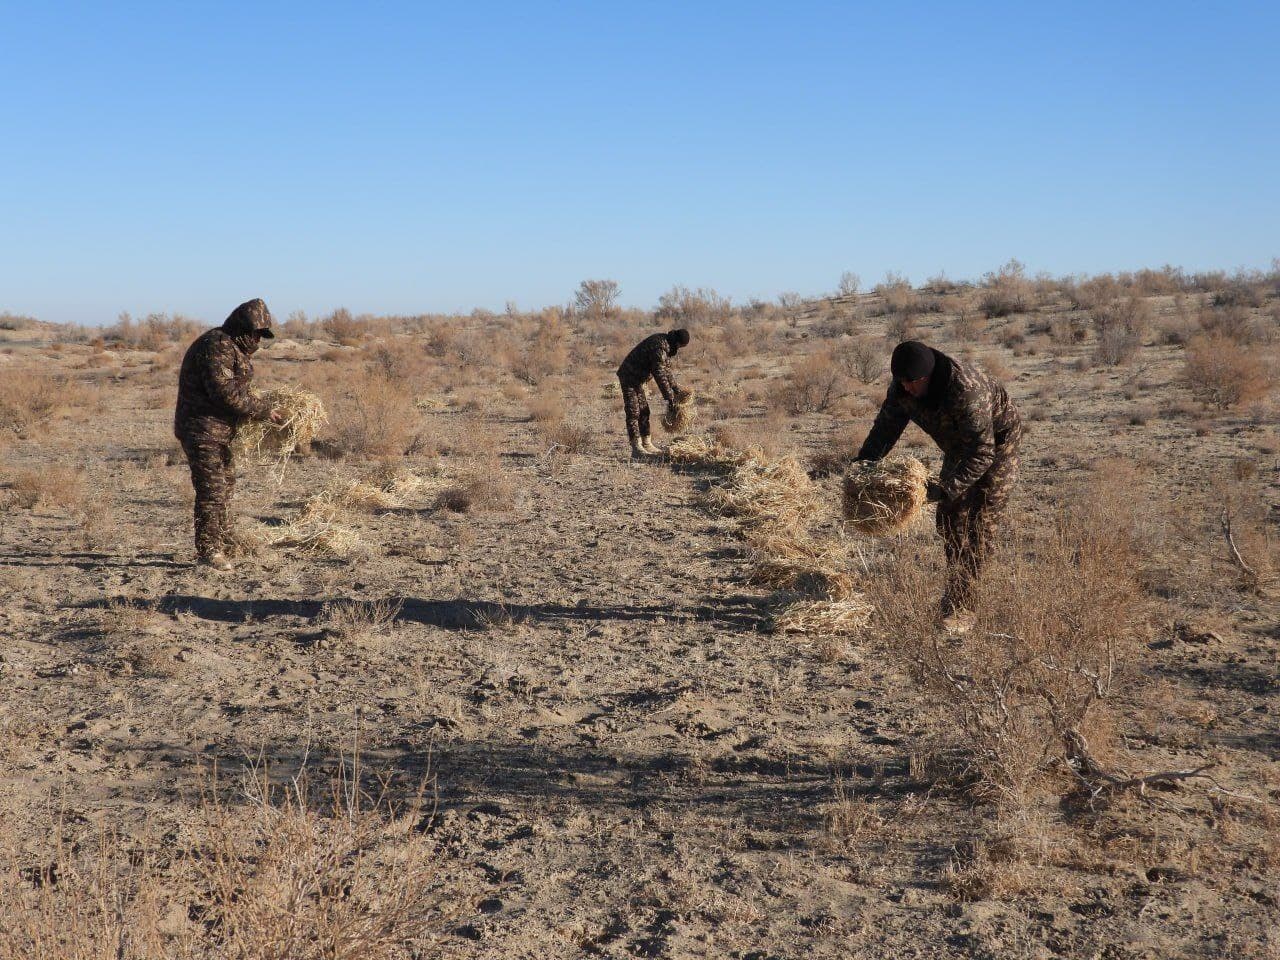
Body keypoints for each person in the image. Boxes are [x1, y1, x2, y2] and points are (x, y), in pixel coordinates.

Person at [855, 340, 1023, 633]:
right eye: (902, 382)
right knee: (948, 521)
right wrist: (864, 464)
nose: (906, 388)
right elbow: (887, 426)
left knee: (978, 526)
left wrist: (944, 488)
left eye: (912, 383)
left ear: (928, 377)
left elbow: (983, 453)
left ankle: (964, 608)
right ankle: (955, 595)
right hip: (958, 448)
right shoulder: (902, 386)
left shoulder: (966, 393)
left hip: (995, 448)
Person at [173, 298, 284, 571]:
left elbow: (236, 391)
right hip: (202, 430)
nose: (257, 340)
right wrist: (262, 409)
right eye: (255, 333)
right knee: (213, 491)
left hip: (220, 432)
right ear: (242, 327)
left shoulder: (232, 347)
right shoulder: (218, 345)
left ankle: (223, 541)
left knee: (225, 487)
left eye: (261, 335)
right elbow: (225, 393)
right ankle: (209, 550)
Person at [616, 329, 690, 458]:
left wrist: (676, 389)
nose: (679, 349)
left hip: (638, 380)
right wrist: (670, 398)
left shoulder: (666, 344)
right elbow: (659, 374)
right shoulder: (660, 347)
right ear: (678, 343)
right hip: (629, 376)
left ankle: (647, 443)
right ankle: (636, 447)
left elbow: (666, 371)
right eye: (681, 346)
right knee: (634, 411)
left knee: (644, 411)